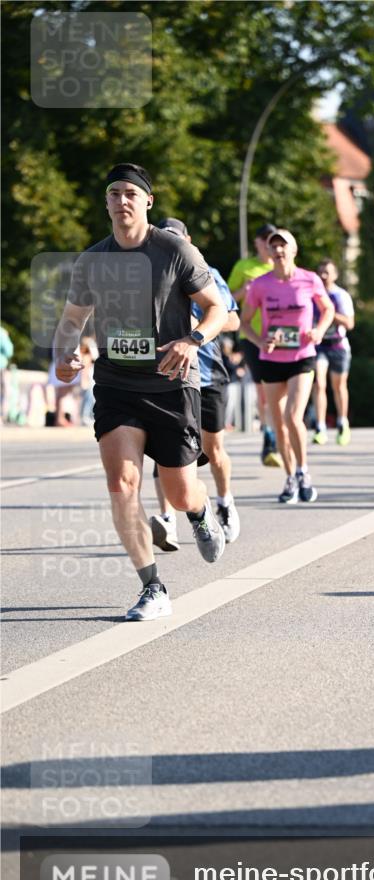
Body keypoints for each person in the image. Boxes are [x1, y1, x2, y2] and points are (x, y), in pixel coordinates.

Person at [54, 162, 228, 621]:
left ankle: (200, 511)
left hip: (172, 385)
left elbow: (216, 308)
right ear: (107, 202)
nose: (122, 200)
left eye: (131, 192)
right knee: (121, 484)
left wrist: (193, 341)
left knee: (179, 487)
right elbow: (73, 320)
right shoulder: (93, 260)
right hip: (116, 384)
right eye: (114, 193)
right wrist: (64, 356)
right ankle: (153, 586)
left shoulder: (174, 250)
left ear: (147, 201)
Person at [149, 217, 241, 551]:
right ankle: (167, 520)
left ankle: (225, 502)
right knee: (164, 450)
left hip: (208, 372)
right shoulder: (149, 275)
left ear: (187, 239)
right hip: (170, 374)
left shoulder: (206, 271)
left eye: (176, 238)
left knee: (213, 448)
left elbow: (232, 318)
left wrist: (197, 324)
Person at [240, 228, 334, 503]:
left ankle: (304, 472)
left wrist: (318, 330)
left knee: (294, 416)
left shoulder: (309, 279)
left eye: (284, 246)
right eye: (274, 247)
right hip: (271, 359)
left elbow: (327, 309)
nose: (279, 251)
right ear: (268, 253)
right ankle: (290, 476)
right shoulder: (260, 284)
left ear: (294, 250)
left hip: (302, 356)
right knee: (278, 423)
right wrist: (260, 341)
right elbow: (244, 321)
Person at [227, 223, 281, 467]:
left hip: (281, 337)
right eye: (264, 238)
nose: (269, 243)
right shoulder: (245, 267)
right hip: (251, 336)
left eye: (273, 239)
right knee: (263, 390)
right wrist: (243, 291)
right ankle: (269, 437)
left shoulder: (282, 266)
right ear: (257, 242)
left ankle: (280, 428)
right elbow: (223, 299)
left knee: (282, 391)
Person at [311, 259, 355, 446]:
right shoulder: (312, 295)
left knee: (338, 386)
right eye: (321, 272)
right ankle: (320, 426)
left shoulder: (341, 295)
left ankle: (342, 423)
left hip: (338, 345)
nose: (323, 276)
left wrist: (329, 313)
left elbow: (350, 323)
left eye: (327, 272)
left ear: (335, 275)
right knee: (319, 383)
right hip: (319, 345)